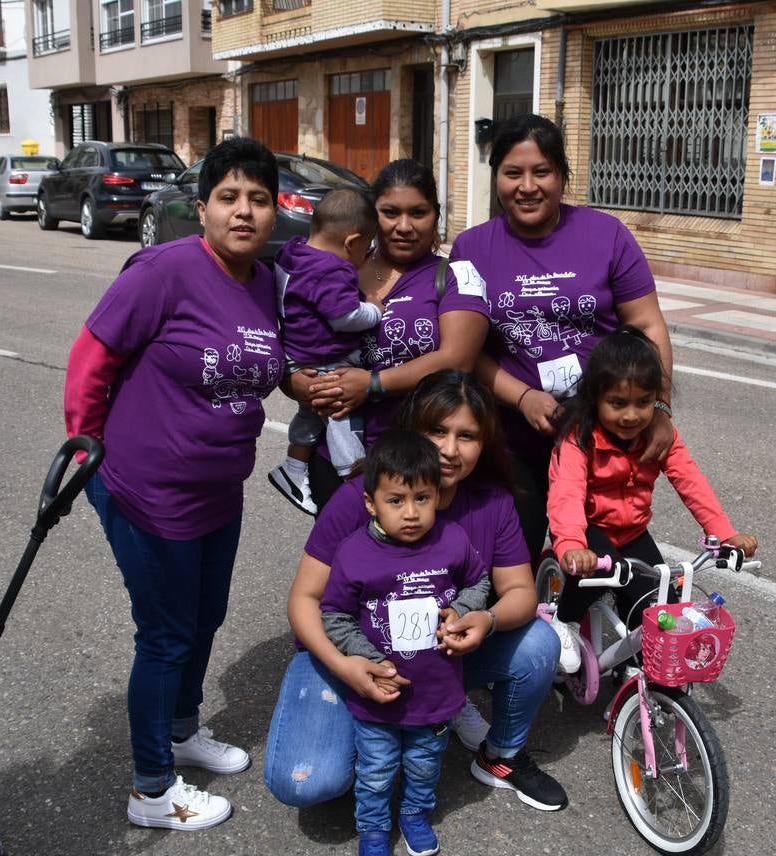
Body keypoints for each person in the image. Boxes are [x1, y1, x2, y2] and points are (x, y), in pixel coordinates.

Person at [62, 138, 283, 830]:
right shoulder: (163, 271)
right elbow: (91, 358)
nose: (243, 211)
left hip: (220, 489)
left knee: (204, 618)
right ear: (203, 206)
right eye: (229, 197)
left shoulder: (268, 283)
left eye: (258, 199)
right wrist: (86, 448)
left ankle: (183, 731)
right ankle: (152, 790)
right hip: (147, 490)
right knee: (164, 635)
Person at [264, 371, 569, 814]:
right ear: (411, 432)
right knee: (307, 784)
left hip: (440, 656)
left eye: (466, 436)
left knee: (539, 642)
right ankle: (378, 726)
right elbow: (305, 599)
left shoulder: (493, 502)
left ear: (484, 444)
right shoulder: (359, 498)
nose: (448, 449)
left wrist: (487, 619)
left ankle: (498, 755)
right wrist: (346, 666)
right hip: (348, 655)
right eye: (437, 431)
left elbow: (520, 590)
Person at [450, 113, 676, 562]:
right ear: (496, 176)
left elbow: (648, 325)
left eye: (542, 172)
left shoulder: (607, 235)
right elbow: (463, 350)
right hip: (510, 437)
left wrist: (661, 409)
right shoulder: (471, 248)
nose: (527, 186)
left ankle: (583, 625)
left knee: (619, 571)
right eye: (512, 173)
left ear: (563, 176)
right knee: (511, 566)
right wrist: (524, 397)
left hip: (602, 437)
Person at [319, 431, 490, 856]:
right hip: (376, 695)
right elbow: (333, 614)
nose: (411, 513)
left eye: (422, 498)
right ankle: (373, 830)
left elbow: (479, 582)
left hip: (437, 692)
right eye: (396, 500)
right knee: (376, 769)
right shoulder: (353, 553)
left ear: (438, 496)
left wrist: (465, 610)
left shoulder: (453, 540)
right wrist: (367, 658)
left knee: (424, 763)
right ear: (371, 503)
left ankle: (415, 813)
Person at [292, 159, 490, 510]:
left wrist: (371, 383)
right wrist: (295, 383)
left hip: (420, 463)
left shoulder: (458, 275)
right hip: (337, 457)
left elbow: (457, 360)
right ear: (372, 216)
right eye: (390, 212)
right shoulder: (335, 268)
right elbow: (290, 334)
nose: (404, 226)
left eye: (418, 213)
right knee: (344, 560)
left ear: (436, 216)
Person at [547, 326, 757, 636]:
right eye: (617, 403)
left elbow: (691, 482)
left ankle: (633, 669)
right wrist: (572, 546)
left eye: (643, 403)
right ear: (595, 398)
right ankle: (563, 624)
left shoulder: (658, 436)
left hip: (631, 531)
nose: (631, 416)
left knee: (660, 608)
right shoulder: (579, 438)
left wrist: (725, 534)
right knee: (594, 578)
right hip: (587, 529)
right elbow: (566, 496)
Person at [268, 187, 381, 515]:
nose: (367, 255)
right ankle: (353, 475)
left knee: (310, 413)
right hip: (323, 355)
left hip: (297, 350)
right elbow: (344, 316)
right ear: (352, 242)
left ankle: (293, 467)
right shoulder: (333, 269)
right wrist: (374, 310)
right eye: (367, 248)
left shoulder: (293, 251)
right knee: (338, 411)